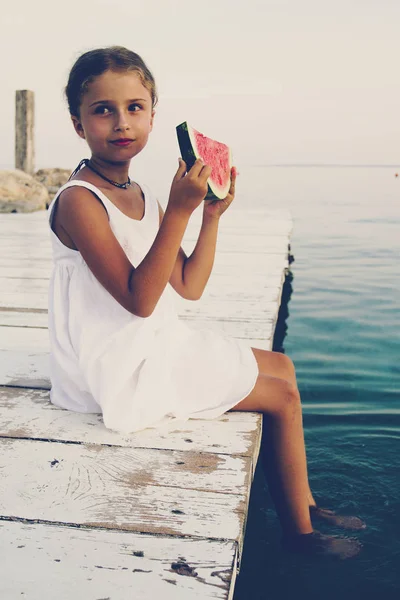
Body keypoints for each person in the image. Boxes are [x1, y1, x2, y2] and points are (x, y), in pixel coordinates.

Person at [47, 46, 365, 559]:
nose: (121, 122)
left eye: (135, 107)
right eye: (102, 109)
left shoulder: (142, 194)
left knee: (282, 366)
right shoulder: (79, 200)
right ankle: (300, 538)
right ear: (78, 124)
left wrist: (209, 216)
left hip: (149, 341)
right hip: (111, 365)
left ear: (153, 114)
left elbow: (189, 285)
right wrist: (177, 212)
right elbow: (139, 301)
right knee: (280, 399)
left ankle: (303, 500)